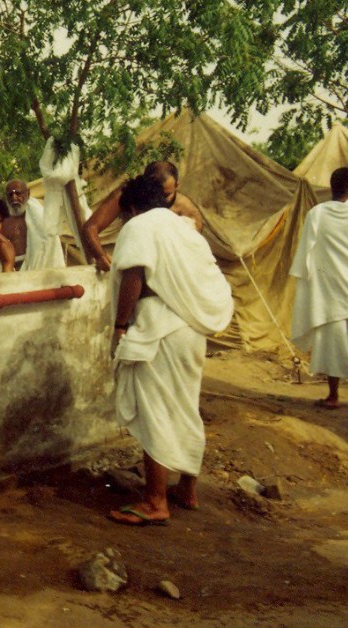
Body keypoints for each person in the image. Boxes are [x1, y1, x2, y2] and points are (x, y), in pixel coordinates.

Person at [107, 175, 232, 526]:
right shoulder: (185, 229)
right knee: (184, 407)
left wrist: (119, 325)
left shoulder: (139, 226)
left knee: (155, 410)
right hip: (190, 331)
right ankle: (187, 490)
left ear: (132, 208)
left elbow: (133, 276)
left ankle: (155, 501)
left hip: (159, 328)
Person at [290, 166, 348, 411]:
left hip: (330, 290)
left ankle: (333, 396)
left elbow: (305, 255)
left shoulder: (317, 214)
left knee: (332, 340)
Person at [83, 160, 203, 272]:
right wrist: (100, 256)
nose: (159, 199)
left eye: (166, 195)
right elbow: (91, 227)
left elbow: (192, 251)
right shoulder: (127, 195)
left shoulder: (186, 210)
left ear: (176, 186)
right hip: (133, 261)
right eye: (155, 192)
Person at [4, 179, 58, 270]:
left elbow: (51, 245)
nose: (14, 197)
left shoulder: (41, 217)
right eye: (10, 194)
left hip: (38, 267)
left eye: (18, 193)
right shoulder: (1, 220)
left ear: (28, 194)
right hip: (9, 269)